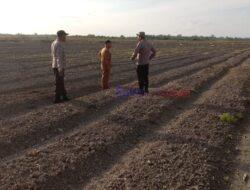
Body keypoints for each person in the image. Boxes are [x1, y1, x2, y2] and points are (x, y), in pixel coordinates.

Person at [51, 30, 70, 103]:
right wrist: (60, 68)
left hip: (56, 65)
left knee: (61, 82)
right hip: (58, 66)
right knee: (59, 82)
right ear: (61, 36)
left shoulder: (54, 43)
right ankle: (57, 98)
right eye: (65, 35)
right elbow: (58, 57)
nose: (65, 37)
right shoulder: (58, 44)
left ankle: (64, 96)